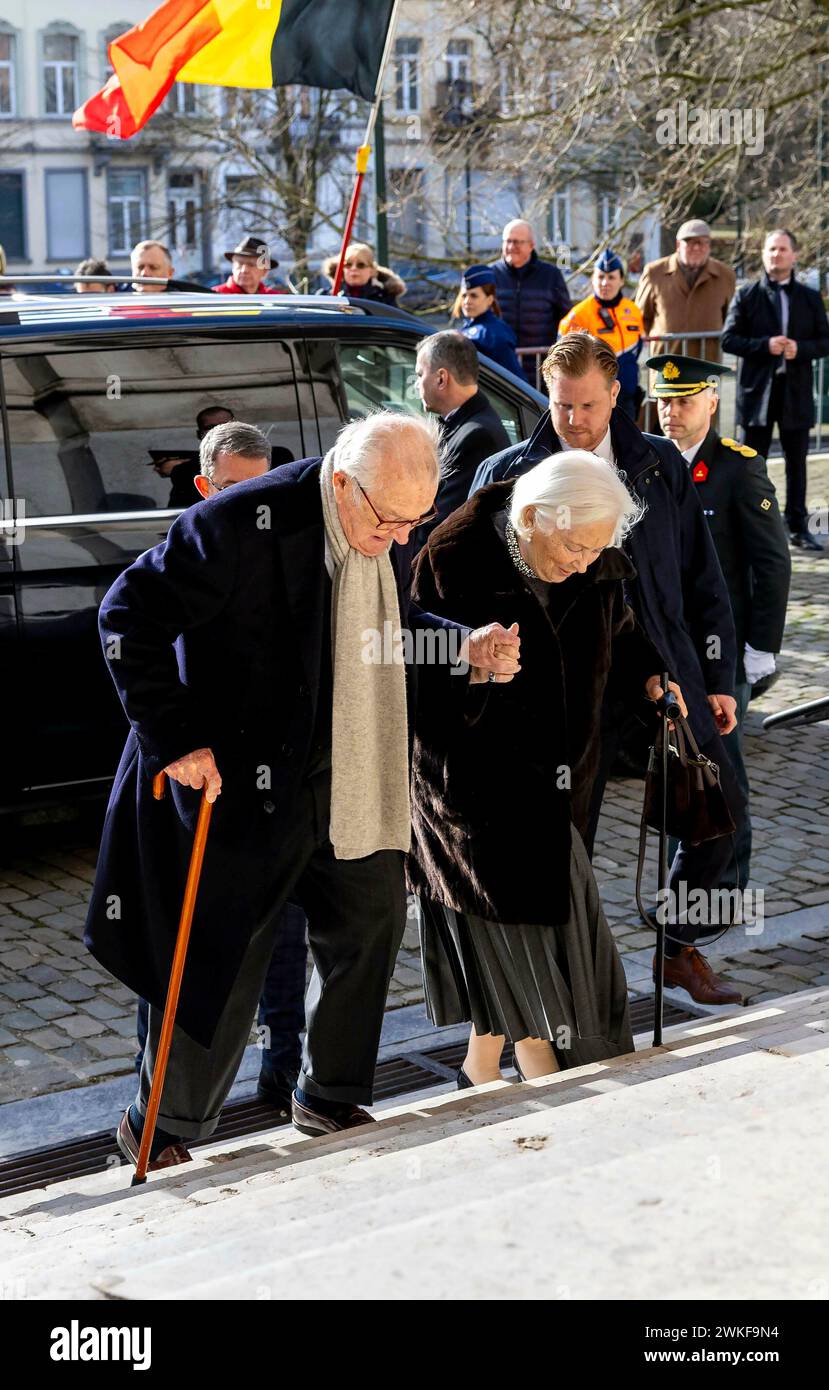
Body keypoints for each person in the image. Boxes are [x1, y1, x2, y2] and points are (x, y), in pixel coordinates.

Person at [85, 410, 520, 1170]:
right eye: (388, 522)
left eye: (412, 523)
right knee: (221, 960)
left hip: (351, 770)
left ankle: (327, 1095)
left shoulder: (378, 516)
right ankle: (161, 1126)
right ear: (343, 484)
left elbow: (392, 623)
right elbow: (127, 615)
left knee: (370, 921)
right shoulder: (239, 524)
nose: (398, 539)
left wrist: (463, 647)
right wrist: (178, 738)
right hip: (239, 781)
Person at [470, 331, 747, 1006]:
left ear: (615, 394)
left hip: (663, 672)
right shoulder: (511, 472)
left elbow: (700, 576)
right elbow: (470, 588)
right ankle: (561, 993)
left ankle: (677, 948)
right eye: (561, 405)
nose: (573, 420)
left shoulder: (655, 465)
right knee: (566, 840)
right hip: (566, 688)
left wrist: (717, 678)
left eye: (587, 405)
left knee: (722, 813)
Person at [410, 453, 682, 1084]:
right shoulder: (453, 558)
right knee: (530, 948)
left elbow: (624, 629)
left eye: (596, 549)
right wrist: (472, 670)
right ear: (532, 518)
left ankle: (481, 1066)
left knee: (546, 935)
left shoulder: (590, 552)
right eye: (576, 548)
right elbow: (410, 669)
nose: (585, 562)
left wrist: (650, 677)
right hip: (477, 794)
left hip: (561, 788)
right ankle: (554, 1083)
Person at [134, 422, 309, 1112]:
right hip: (203, 789)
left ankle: (285, 1080)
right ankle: (159, 1108)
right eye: (236, 490)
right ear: (204, 488)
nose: (252, 505)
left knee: (287, 947)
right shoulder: (181, 558)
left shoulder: (288, 554)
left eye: (262, 489)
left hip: (277, 788)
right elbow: (140, 655)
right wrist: (179, 744)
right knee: (184, 957)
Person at [650, 353, 791, 889]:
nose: (671, 413)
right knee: (676, 770)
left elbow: (772, 562)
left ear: (711, 401)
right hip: (670, 646)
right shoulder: (650, 462)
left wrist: (762, 646)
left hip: (720, 650)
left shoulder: (735, 466)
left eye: (684, 401)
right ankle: (680, 886)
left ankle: (726, 887)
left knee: (721, 770)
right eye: (664, 402)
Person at [722, 228, 829, 552]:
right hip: (758, 394)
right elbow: (729, 339)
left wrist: (802, 349)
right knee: (750, 463)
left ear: (794, 255)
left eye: (782, 249)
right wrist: (764, 345)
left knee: (797, 462)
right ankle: (747, 525)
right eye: (771, 249)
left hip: (795, 391)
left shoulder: (809, 298)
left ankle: (798, 526)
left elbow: (824, 341)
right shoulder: (748, 294)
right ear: (763, 254)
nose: (776, 255)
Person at [412, 330, 510, 545]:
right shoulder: (466, 425)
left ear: (441, 378)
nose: (416, 384)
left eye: (420, 375)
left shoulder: (477, 436)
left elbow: (442, 526)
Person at [558, 249, 646, 419]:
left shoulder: (633, 310)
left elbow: (638, 348)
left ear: (621, 280)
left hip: (626, 394)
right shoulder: (579, 314)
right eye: (600, 277)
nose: (605, 283)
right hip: (593, 398)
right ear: (593, 279)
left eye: (611, 277)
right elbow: (565, 358)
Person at [635, 219, 736, 360]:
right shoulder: (655, 272)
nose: (696, 248)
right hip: (667, 365)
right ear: (678, 245)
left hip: (706, 365)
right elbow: (640, 317)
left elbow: (731, 319)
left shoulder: (725, 275)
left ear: (709, 246)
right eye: (689, 242)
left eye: (701, 242)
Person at [486, 219, 571, 385]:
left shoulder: (551, 276)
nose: (511, 247)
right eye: (508, 241)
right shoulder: (489, 276)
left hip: (541, 372)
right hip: (499, 370)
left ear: (531, 246)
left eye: (517, 242)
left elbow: (567, 320)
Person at [451, 265, 523, 378]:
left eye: (473, 296)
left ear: (489, 300)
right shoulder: (470, 327)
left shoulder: (494, 333)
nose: (466, 301)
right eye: (464, 295)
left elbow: (514, 379)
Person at [322, 242, 405, 305]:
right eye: (348, 264)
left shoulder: (384, 299)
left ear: (372, 270)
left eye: (360, 265)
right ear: (341, 269)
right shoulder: (325, 297)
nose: (353, 268)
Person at [214, 235, 286, 295]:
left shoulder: (275, 300)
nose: (244, 270)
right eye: (240, 263)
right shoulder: (214, 297)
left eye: (251, 265)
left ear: (265, 271)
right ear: (233, 266)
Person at [130, 240, 204, 293]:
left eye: (153, 267)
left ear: (170, 273)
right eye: (140, 267)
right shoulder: (119, 298)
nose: (144, 273)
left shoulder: (183, 303)